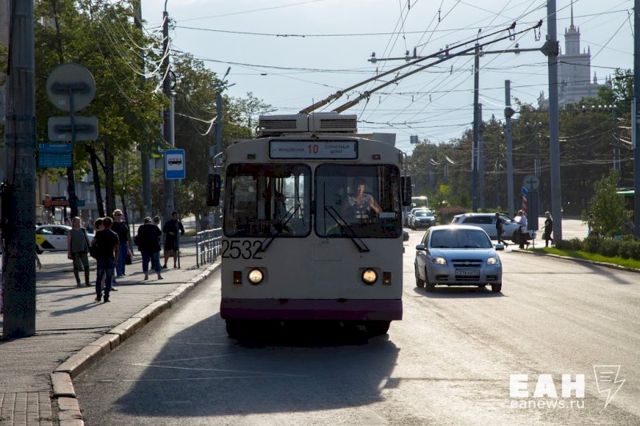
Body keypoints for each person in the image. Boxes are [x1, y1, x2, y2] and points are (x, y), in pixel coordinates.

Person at [92, 216, 119, 303]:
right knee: (109, 278)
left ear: (103, 224)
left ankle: (98, 296)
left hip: (101, 258)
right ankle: (106, 297)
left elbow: (93, 243)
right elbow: (116, 249)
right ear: (111, 224)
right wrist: (116, 259)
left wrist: (95, 253)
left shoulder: (99, 233)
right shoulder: (114, 235)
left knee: (99, 278)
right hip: (110, 258)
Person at [67, 216, 91, 287]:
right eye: (76, 222)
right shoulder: (70, 232)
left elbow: (87, 240)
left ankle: (87, 282)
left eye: (79, 222)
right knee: (76, 267)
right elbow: (69, 242)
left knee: (86, 266)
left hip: (84, 250)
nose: (78, 223)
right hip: (75, 251)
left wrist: (89, 249)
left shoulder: (83, 230)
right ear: (73, 223)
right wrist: (69, 252)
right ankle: (78, 282)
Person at [111, 209, 131, 279]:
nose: (119, 216)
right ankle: (119, 273)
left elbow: (126, 235)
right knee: (119, 258)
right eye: (117, 214)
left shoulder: (123, 223)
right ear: (114, 216)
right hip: (117, 243)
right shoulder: (113, 224)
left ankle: (122, 272)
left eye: (120, 214)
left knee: (124, 257)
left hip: (124, 242)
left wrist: (128, 246)